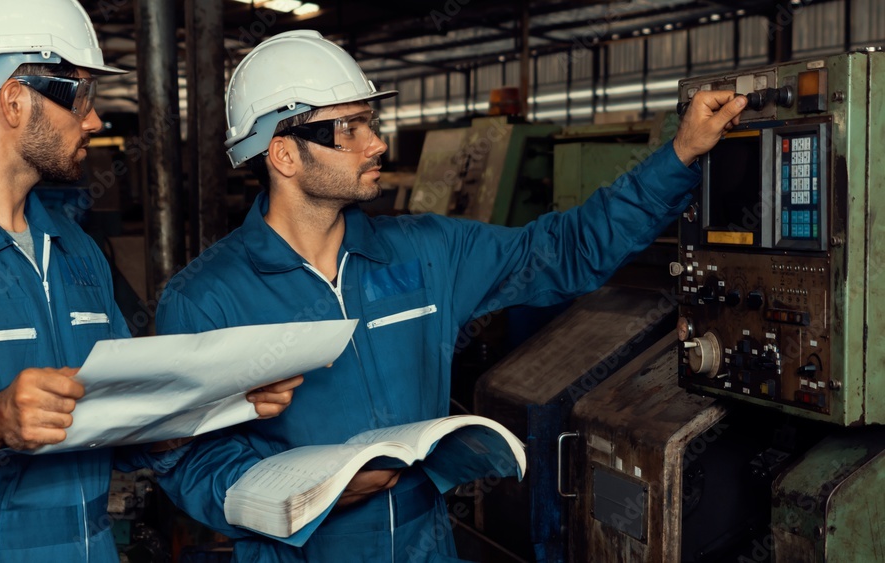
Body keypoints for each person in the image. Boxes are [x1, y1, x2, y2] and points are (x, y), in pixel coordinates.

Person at [153, 30, 746, 562]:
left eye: (372, 123)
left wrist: (680, 156)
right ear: (284, 153)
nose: (376, 143)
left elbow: (567, 250)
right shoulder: (206, 299)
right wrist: (305, 495)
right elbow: (185, 459)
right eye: (350, 128)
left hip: (425, 545)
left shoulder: (430, 252)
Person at [0, 1, 301, 561]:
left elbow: (117, 429)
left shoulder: (75, 247)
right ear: (14, 100)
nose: (94, 120)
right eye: (80, 95)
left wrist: (218, 404)